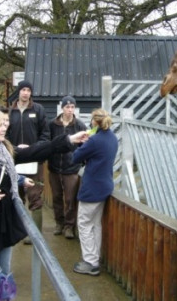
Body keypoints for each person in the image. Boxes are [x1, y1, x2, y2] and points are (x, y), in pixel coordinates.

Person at [0, 106, 87, 296]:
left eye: (5, 124)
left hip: (3, 225)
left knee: (2, 273)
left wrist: (70, 140)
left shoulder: (6, 151)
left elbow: (37, 151)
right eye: (0, 125)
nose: (5, 128)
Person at [72, 108, 118, 276]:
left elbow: (75, 157)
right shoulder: (113, 138)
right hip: (105, 186)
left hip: (92, 188)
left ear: (94, 122)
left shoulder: (94, 140)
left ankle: (90, 262)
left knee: (84, 224)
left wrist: (82, 142)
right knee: (95, 224)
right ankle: (95, 258)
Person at [6, 80, 50, 244]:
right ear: (18, 92)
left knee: (35, 196)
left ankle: (35, 235)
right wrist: (16, 148)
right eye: (23, 89)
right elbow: (5, 136)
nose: (25, 93)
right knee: (17, 197)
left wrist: (33, 148)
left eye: (28, 90)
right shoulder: (11, 112)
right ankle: (19, 231)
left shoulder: (38, 110)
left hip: (34, 161)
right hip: (15, 161)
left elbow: (45, 135)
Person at [48, 96, 86, 239]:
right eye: (67, 107)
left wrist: (80, 162)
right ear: (62, 108)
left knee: (70, 199)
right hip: (54, 167)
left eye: (72, 107)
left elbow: (85, 146)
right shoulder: (52, 125)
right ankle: (59, 223)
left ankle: (69, 226)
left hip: (71, 169)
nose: (70, 110)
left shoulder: (80, 126)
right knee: (57, 197)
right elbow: (48, 143)